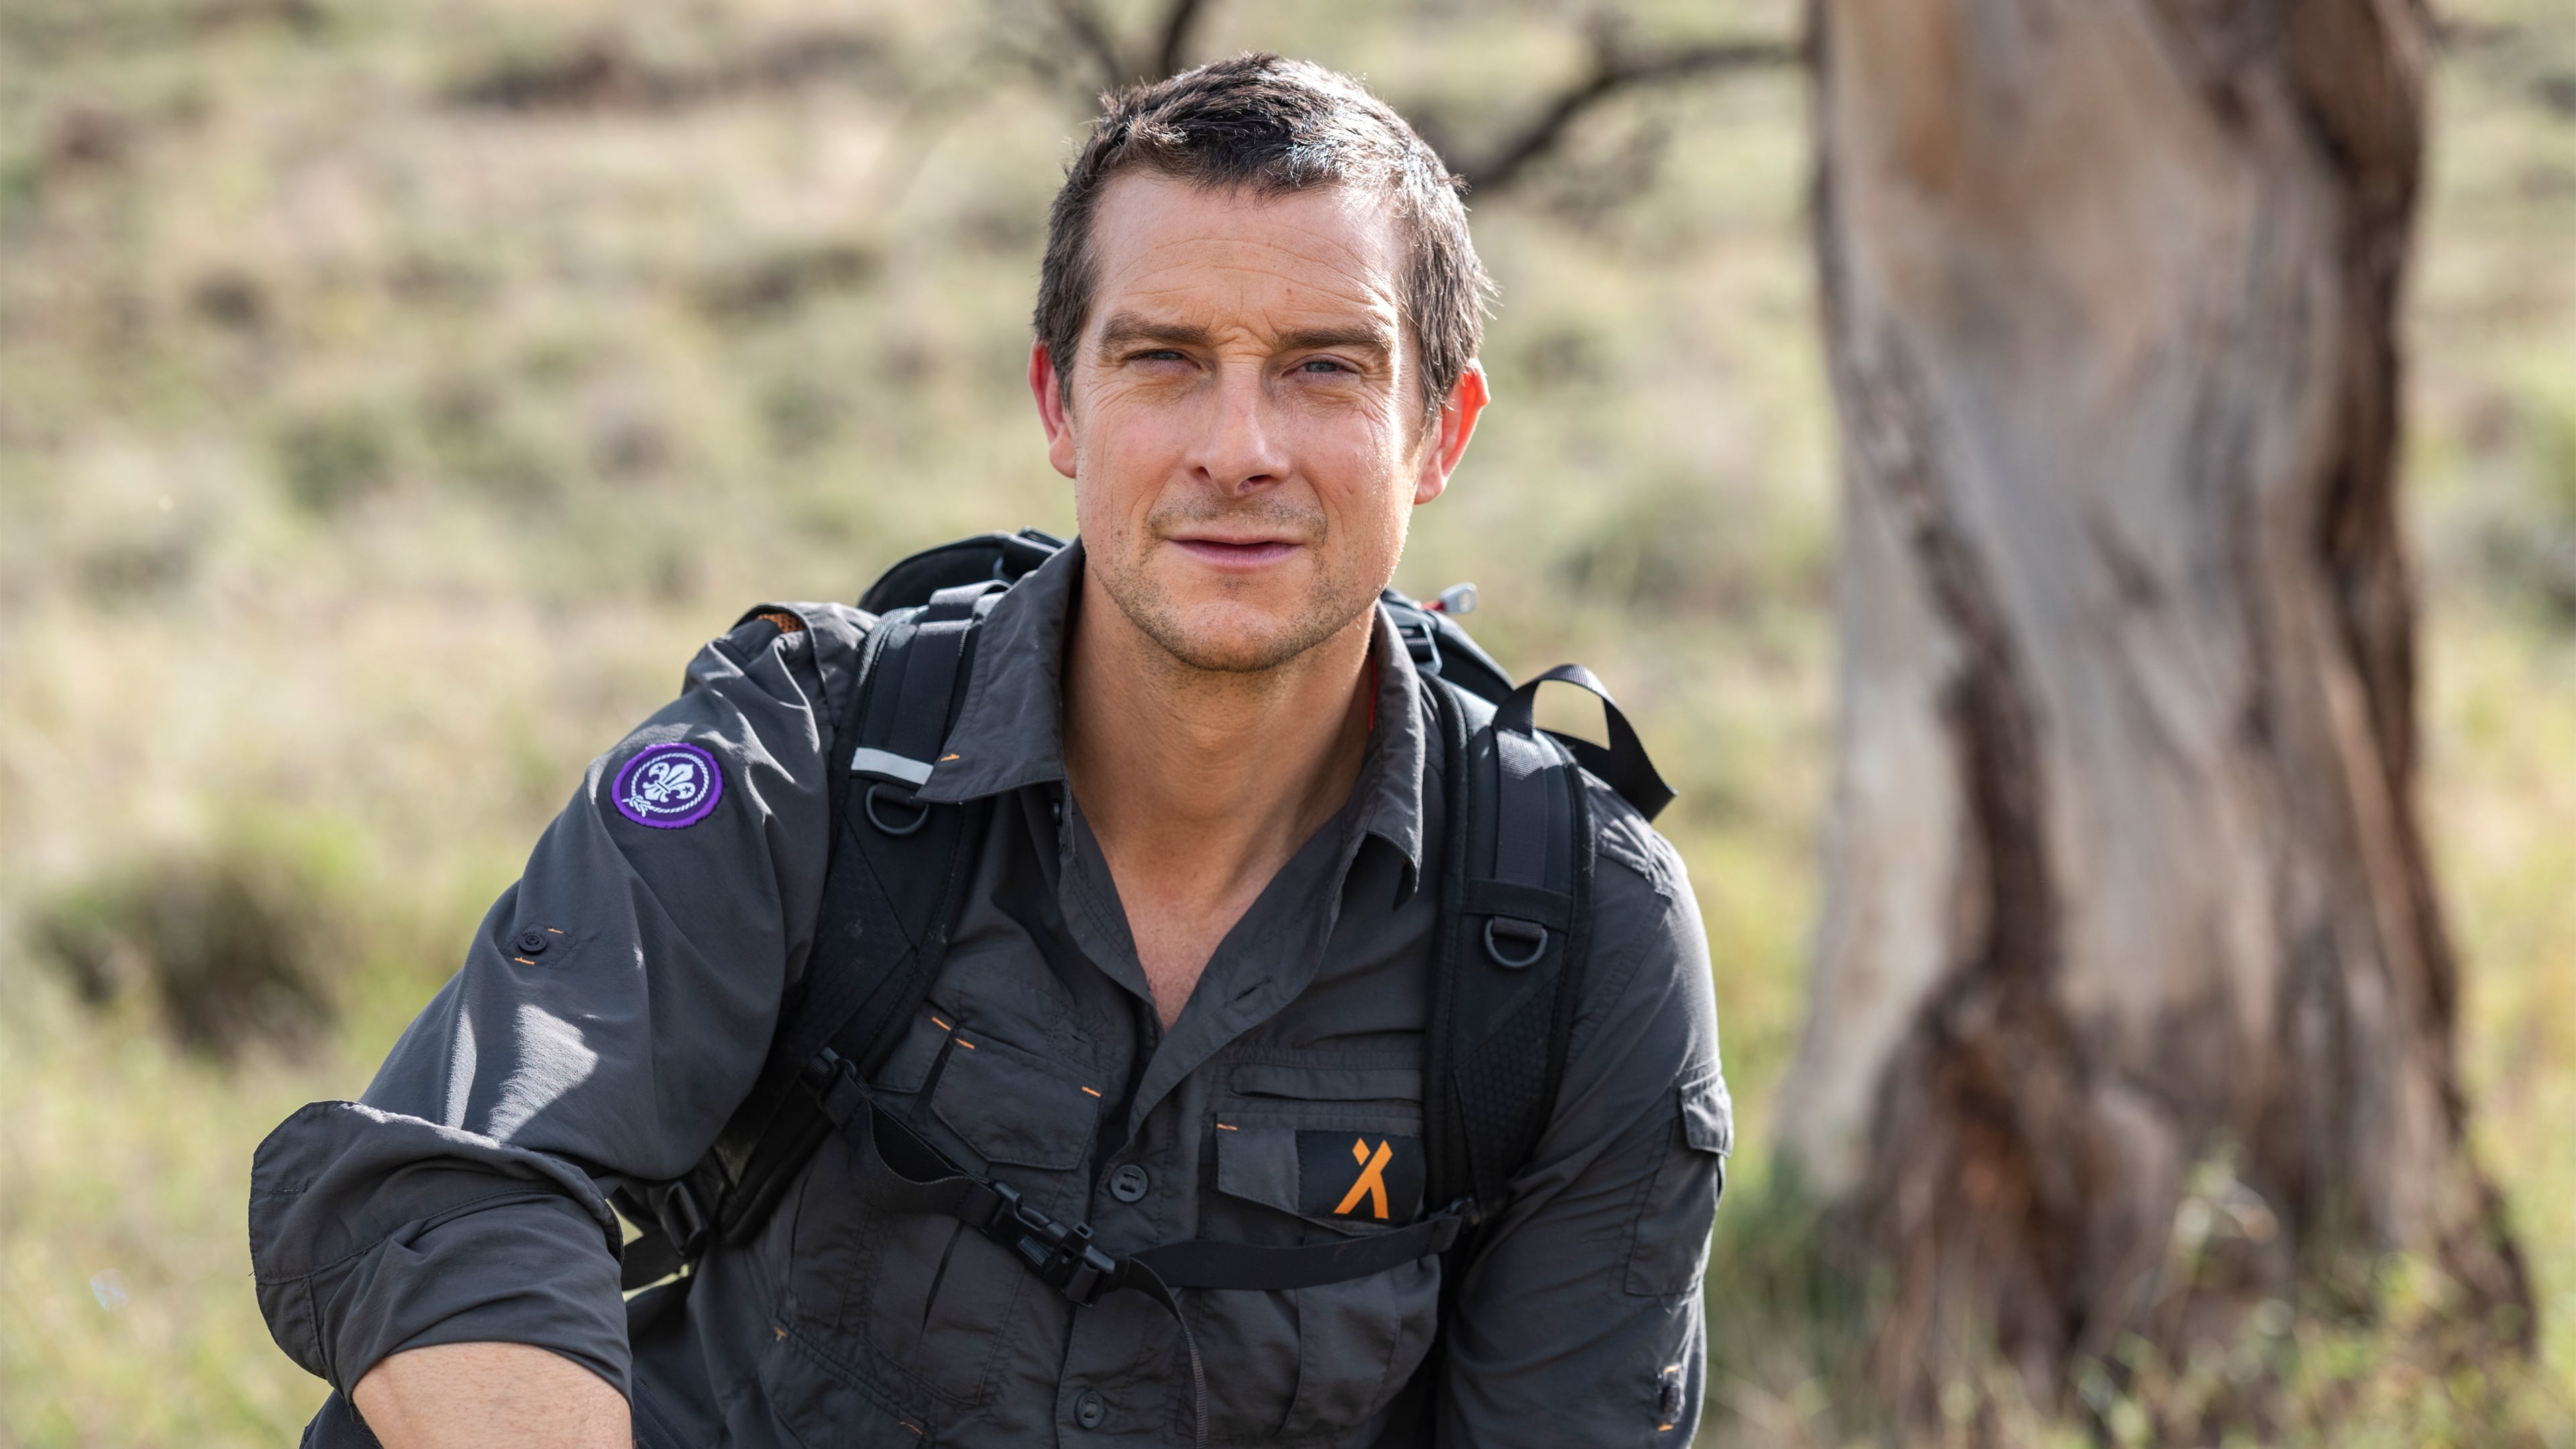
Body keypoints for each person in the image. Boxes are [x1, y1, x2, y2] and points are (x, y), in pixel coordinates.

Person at [249, 53, 1727, 1449]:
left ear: (1438, 433)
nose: (1237, 448)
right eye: (1163, 359)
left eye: (1324, 368)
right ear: (1058, 404)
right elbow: (443, 1188)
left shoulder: (1578, 931)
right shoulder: (804, 759)